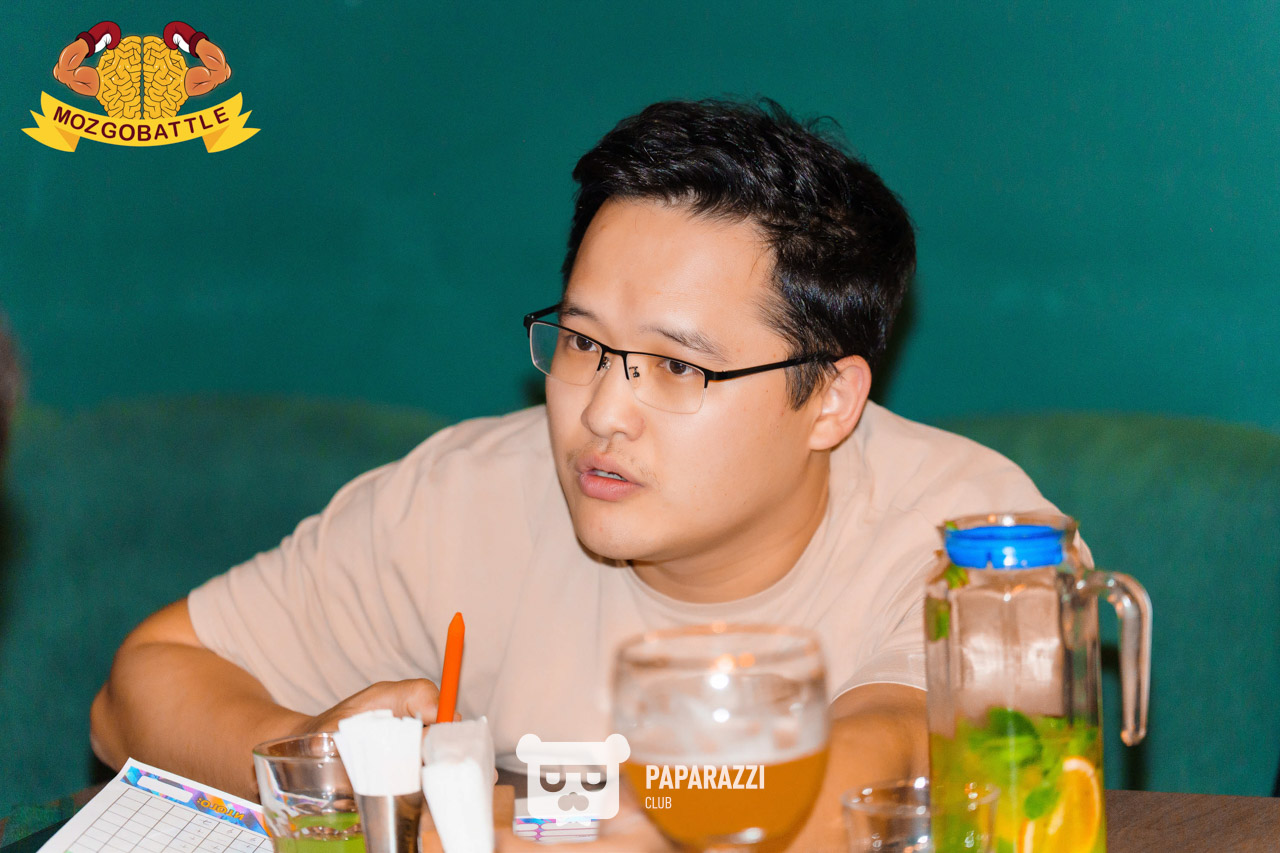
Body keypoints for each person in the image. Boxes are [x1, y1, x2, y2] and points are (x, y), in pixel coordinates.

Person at [91, 99, 1065, 841]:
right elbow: (136, 691)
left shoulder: (976, 536)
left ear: (830, 401)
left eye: (677, 367)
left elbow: (896, 744)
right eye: (584, 343)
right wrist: (326, 768)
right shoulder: (466, 495)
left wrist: (601, 830)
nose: (601, 411)